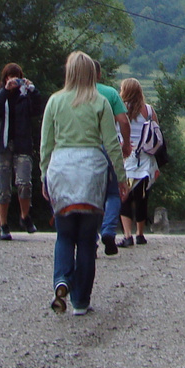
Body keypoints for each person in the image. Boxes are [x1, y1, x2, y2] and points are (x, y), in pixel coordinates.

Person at [41, 51, 128, 316]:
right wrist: (121, 178)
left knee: (64, 234)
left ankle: (61, 281)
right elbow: (112, 143)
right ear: (92, 73)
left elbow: (46, 145)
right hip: (91, 170)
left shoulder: (55, 101)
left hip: (62, 169)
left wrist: (45, 176)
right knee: (87, 240)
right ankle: (80, 302)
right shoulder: (100, 102)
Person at [0, 63, 41, 240]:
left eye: (16, 77)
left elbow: (38, 109)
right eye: (10, 77)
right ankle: (3, 225)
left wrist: (32, 89)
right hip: (1, 146)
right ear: (5, 78)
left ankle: (25, 216)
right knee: (2, 187)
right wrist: (5, 91)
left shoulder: (25, 96)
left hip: (22, 145)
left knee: (24, 183)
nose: (13, 80)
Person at [96, 61, 132, 255]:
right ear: (99, 75)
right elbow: (123, 120)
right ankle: (108, 230)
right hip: (108, 147)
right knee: (114, 191)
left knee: (90, 193)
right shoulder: (110, 93)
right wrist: (126, 143)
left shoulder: (72, 94)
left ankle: (90, 238)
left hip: (84, 149)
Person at [117, 77, 158, 247]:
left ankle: (127, 235)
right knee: (142, 197)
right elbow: (157, 133)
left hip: (125, 156)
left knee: (124, 196)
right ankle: (140, 233)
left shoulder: (119, 110)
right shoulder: (148, 110)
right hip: (145, 158)